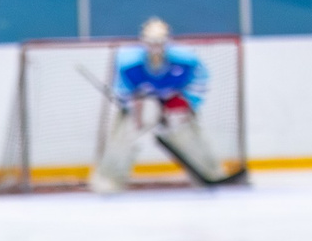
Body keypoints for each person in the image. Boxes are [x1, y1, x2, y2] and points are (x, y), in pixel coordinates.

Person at [94, 18, 231, 191]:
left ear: (168, 40)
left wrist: (187, 103)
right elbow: (122, 90)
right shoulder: (128, 61)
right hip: (143, 103)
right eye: (151, 41)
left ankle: (210, 173)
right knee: (126, 135)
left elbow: (200, 83)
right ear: (143, 41)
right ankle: (109, 179)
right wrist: (134, 106)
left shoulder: (186, 59)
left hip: (173, 102)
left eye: (160, 41)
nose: (155, 46)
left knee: (185, 133)